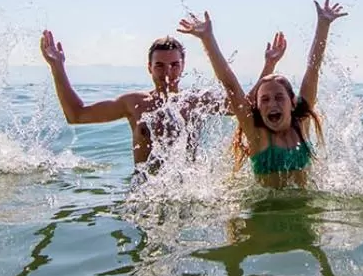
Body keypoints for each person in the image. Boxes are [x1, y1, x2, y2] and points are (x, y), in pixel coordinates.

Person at [39, 29, 286, 173]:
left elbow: (245, 107)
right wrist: (57, 67)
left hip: (185, 191)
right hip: (144, 192)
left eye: (174, 65)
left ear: (183, 66)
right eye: (160, 65)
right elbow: (77, 115)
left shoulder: (196, 101)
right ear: (149, 67)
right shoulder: (133, 103)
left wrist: (269, 64)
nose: (167, 72)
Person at [177, 0, 347, 189]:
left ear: (292, 102)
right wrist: (208, 39)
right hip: (264, 213)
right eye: (264, 99)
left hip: (305, 213)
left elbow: (313, 68)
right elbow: (230, 83)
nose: (271, 104)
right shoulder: (256, 133)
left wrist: (323, 25)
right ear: (257, 106)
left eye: (279, 97)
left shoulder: (302, 122)